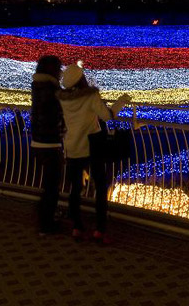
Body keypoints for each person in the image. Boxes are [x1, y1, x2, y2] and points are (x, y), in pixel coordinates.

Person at [57, 63, 126, 243]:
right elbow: (107, 116)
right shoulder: (90, 96)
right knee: (101, 186)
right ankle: (99, 230)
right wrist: (122, 101)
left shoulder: (63, 99)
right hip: (92, 145)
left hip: (71, 146)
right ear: (82, 79)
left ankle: (77, 227)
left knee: (75, 189)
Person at [30, 55, 65, 237]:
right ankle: (46, 224)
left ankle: (45, 217)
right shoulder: (52, 89)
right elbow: (58, 110)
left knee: (48, 185)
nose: (60, 73)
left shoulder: (37, 86)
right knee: (52, 186)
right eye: (59, 69)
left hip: (37, 141)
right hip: (49, 142)